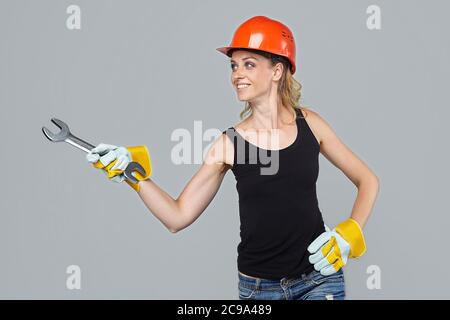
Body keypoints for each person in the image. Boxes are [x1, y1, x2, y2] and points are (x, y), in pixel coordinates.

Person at [85, 16, 379, 300]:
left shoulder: (311, 124)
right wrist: (131, 173)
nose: (237, 74)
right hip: (259, 288)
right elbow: (177, 217)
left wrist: (347, 234)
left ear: (277, 71)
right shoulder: (228, 144)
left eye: (249, 65)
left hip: (319, 278)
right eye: (234, 65)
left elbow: (367, 180)